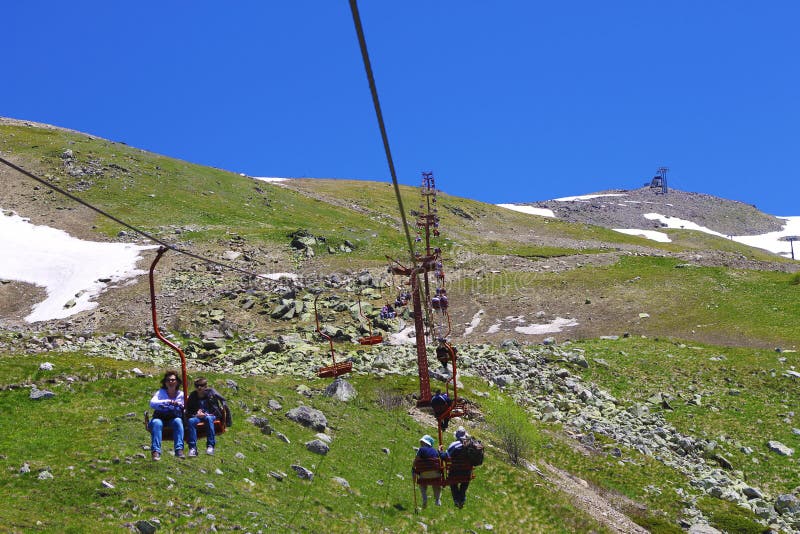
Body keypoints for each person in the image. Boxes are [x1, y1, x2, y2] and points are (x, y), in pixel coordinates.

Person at [185, 377, 228, 456]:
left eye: (201, 385)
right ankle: (192, 448)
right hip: (198, 416)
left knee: (208, 418)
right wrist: (196, 414)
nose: (199, 388)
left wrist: (223, 407)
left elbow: (223, 399)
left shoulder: (211, 392)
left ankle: (210, 446)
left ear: (205, 386)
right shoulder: (193, 395)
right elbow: (188, 409)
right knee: (191, 421)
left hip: (211, 414)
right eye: (197, 386)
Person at [148, 370, 186, 460]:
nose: (171, 382)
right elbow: (152, 403)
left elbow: (187, 406)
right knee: (157, 423)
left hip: (173, 418)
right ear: (165, 382)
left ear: (177, 382)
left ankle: (179, 450)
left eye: (173, 380)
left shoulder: (181, 395)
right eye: (168, 380)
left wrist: (180, 405)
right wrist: (167, 402)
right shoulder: (160, 393)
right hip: (160, 417)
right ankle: (156, 452)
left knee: (178, 421)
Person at [444, 426, 473, 508]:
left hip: (454, 473)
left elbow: (446, 456)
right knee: (463, 486)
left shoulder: (454, 445)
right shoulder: (470, 445)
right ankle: (461, 500)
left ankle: (457, 500)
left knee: (453, 484)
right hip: (467, 473)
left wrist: (440, 452)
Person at [413, 435, 443, 508]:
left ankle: (424, 499)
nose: (421, 444)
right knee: (436, 484)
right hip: (435, 474)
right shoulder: (435, 451)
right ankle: (437, 500)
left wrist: (414, 469)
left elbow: (416, 461)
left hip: (424, 475)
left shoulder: (421, 450)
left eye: (422, 442)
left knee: (422, 485)